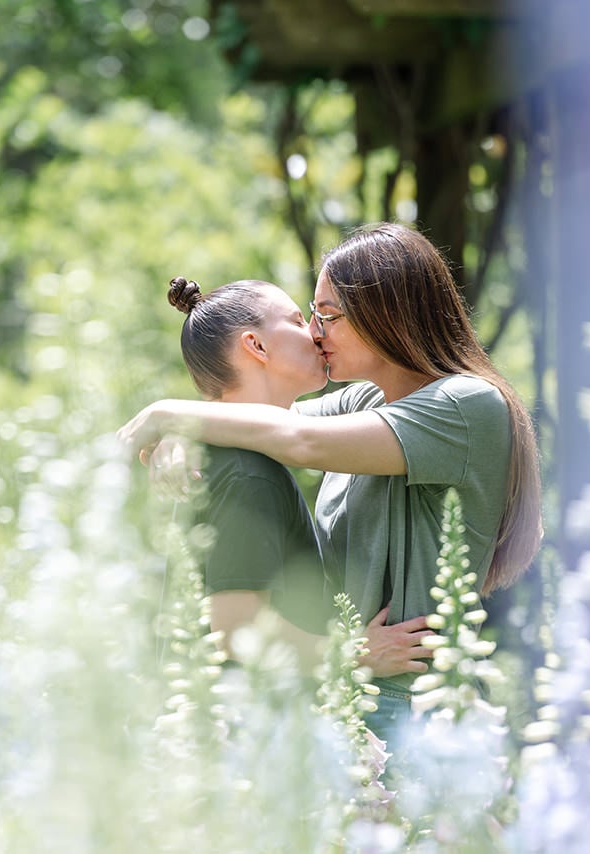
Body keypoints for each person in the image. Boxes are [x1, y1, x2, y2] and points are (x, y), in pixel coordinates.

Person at [121, 224, 543, 746]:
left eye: (328, 316)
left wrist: (166, 415)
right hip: (345, 696)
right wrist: (182, 437)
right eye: (309, 317)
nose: (317, 332)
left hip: (410, 703)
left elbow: (297, 439)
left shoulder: (465, 405)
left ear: (386, 312)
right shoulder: (366, 400)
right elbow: (260, 416)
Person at [156, 274, 430, 676]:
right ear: (256, 346)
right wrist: (357, 655)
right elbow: (234, 629)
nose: (316, 332)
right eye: (298, 320)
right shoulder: (248, 469)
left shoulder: (230, 455)